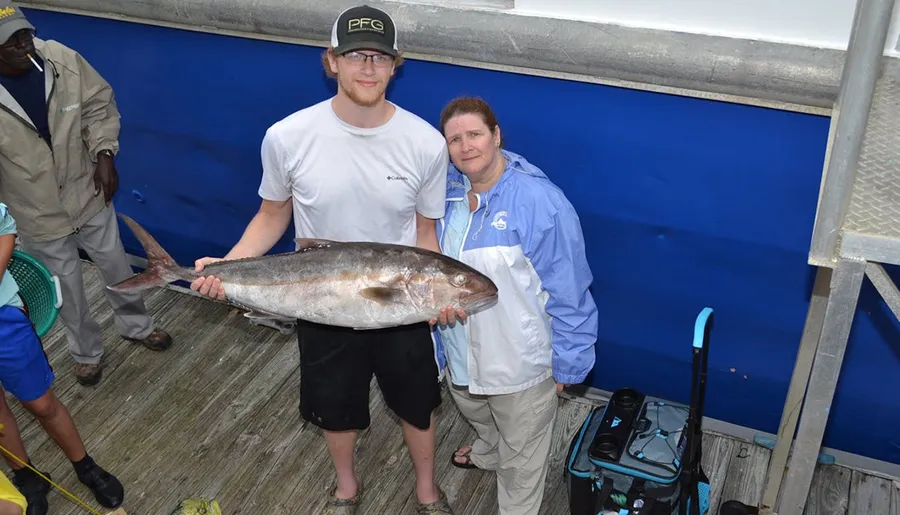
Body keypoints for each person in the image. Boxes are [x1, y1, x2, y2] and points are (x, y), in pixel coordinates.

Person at [189, 5, 462, 514]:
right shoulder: (288, 136)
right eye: (354, 55)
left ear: (396, 65)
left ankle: (427, 490)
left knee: (418, 403)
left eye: (379, 58)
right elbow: (272, 217)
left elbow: (426, 234)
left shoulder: (425, 143)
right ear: (330, 61)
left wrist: (441, 294)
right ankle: (345, 488)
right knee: (335, 408)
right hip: (321, 300)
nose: (367, 68)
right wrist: (224, 267)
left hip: (400, 302)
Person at [431, 97, 599, 515]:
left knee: (522, 463)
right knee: (474, 407)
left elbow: (570, 289)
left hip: (520, 363)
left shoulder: (540, 202)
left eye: (475, 135)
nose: (466, 146)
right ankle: (489, 449)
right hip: (460, 351)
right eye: (455, 139)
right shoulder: (443, 196)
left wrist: (571, 360)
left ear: (496, 135)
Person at [0, 1, 173, 387]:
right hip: (35, 210)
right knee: (65, 287)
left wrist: (104, 154)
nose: (25, 45)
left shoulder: (61, 57)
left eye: (26, 33)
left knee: (115, 264)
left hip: (88, 190)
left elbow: (98, 105)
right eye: (11, 43)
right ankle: (86, 353)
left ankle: (137, 326)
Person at [0, 203, 125, 515]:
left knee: (42, 404)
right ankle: (27, 476)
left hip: (3, 320)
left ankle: (85, 466)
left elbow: (5, 231)